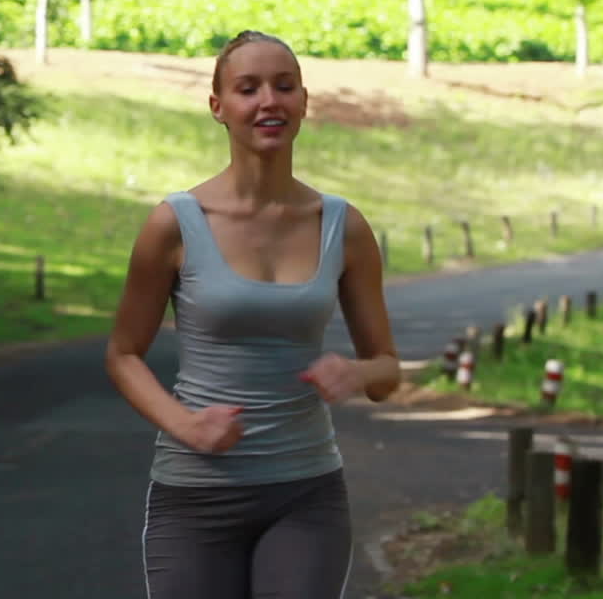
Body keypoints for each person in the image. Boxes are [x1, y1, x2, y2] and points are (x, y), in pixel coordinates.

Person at [104, 30, 401, 599]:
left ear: (304, 103)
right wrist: (187, 424)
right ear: (218, 107)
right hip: (195, 494)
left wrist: (356, 373)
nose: (269, 101)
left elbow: (387, 369)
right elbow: (122, 355)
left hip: (305, 493)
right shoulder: (174, 223)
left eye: (284, 86)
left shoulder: (344, 226)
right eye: (248, 88)